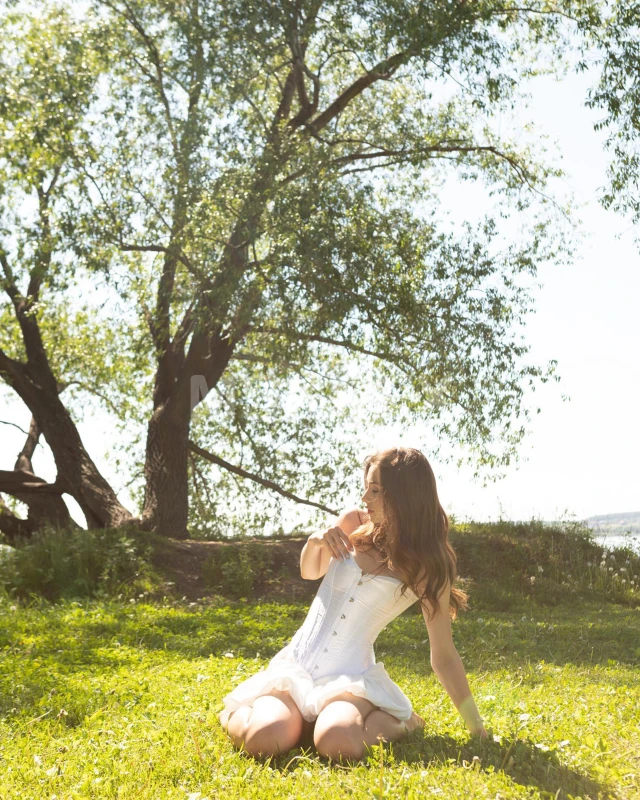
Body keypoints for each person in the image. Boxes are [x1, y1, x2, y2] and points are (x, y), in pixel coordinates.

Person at [218, 447, 488, 761]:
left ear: (405, 496)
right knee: (263, 738)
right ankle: (242, 713)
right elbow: (310, 572)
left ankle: (406, 722)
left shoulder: (428, 566)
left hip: (349, 682)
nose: (364, 498)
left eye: (375, 491)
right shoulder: (353, 522)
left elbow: (444, 656)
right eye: (366, 488)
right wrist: (316, 540)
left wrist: (476, 727)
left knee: (338, 744)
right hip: (295, 668)